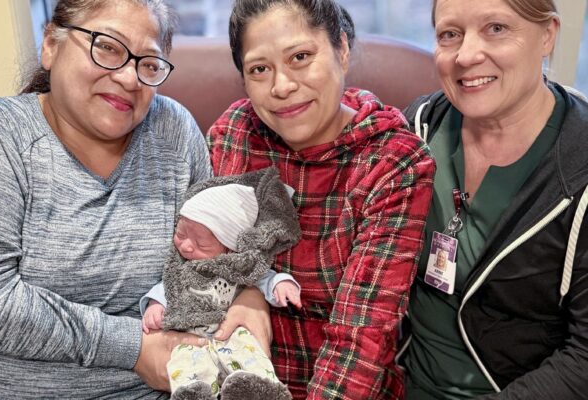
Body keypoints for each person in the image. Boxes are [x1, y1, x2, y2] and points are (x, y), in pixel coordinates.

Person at [0, 0, 271, 398]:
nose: (128, 77)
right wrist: (135, 348)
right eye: (107, 47)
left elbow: (216, 250)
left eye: (149, 64)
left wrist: (250, 295)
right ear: (51, 44)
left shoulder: (173, 131)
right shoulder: (0, 138)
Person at [207, 1, 436, 398]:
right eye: (259, 69)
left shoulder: (392, 163)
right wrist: (248, 290)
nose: (281, 86)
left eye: (300, 57)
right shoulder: (234, 135)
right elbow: (199, 262)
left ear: (342, 49)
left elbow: (360, 338)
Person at [400, 0, 588, 399]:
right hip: (393, 380)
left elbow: (584, 357)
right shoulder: (417, 130)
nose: (466, 55)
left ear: (548, 35)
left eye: (496, 28)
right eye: (449, 34)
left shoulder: (580, 168)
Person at [140, 170, 302, 399]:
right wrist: (154, 306)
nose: (186, 246)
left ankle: (256, 388)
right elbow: (167, 288)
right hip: (190, 336)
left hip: (231, 332)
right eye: (181, 233)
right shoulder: (181, 268)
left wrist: (282, 284)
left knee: (248, 351)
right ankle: (195, 394)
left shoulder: (238, 266)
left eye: (201, 243)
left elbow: (264, 278)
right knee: (184, 362)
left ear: (229, 248)